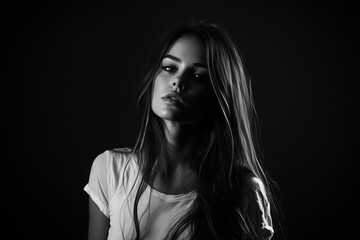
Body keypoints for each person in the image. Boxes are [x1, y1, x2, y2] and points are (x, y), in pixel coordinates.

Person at [84, 21, 277, 240]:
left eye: (198, 77)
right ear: (153, 79)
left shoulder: (241, 189)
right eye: (169, 68)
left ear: (218, 97)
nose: (178, 81)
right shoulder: (110, 168)